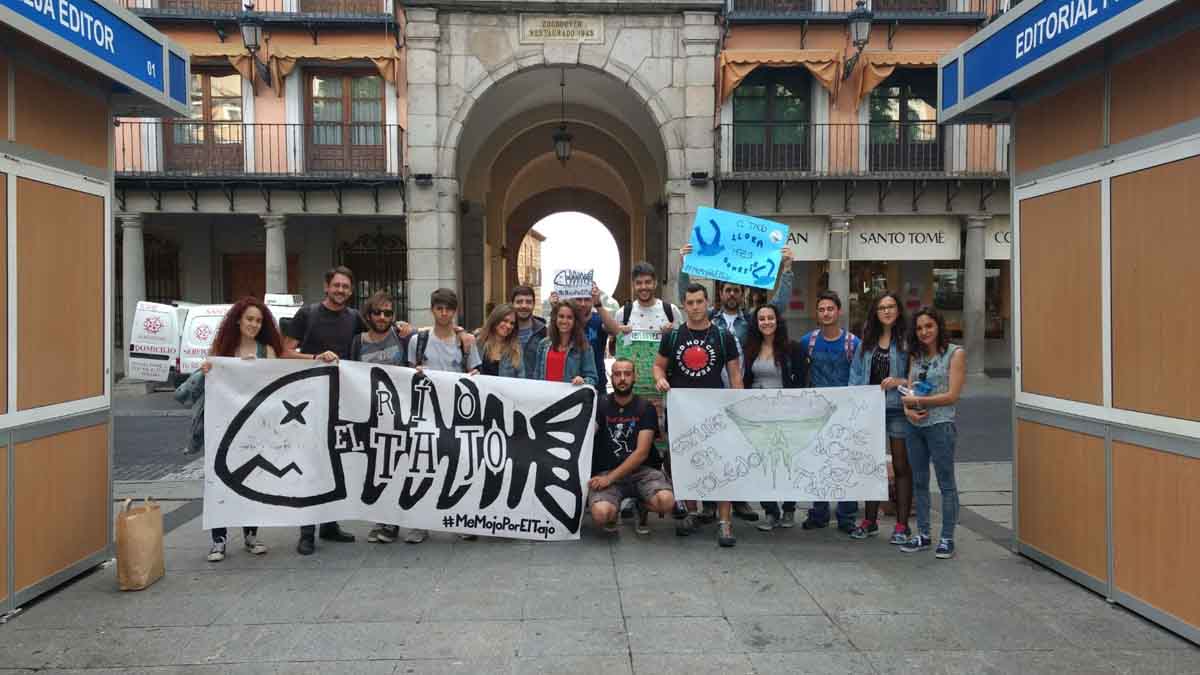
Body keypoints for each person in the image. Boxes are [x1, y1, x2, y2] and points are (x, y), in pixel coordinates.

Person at [677, 244, 794, 524]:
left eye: (736, 290)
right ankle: (707, 505)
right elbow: (686, 295)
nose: (732, 294)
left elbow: (777, 306)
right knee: (709, 447)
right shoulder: (708, 317)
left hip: (740, 391)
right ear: (720, 294)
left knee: (737, 448)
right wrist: (685, 263)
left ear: (742, 295)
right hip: (708, 392)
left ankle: (738, 502)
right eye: (727, 290)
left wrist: (787, 269)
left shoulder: (751, 320)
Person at [284, 266, 372, 555]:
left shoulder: (354, 317)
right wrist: (316, 357)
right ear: (326, 286)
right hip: (309, 401)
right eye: (337, 285)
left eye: (346, 287)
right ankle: (307, 530)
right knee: (312, 464)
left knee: (336, 461)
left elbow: (376, 339)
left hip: (342, 400)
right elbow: (286, 352)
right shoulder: (307, 315)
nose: (341, 291)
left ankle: (329, 524)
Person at [653, 283, 742, 547]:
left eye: (699, 302)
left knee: (722, 464)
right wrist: (660, 380)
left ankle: (725, 521)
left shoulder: (723, 336)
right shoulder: (673, 336)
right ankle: (691, 511)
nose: (694, 307)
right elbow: (659, 366)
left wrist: (737, 403)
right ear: (684, 305)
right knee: (685, 462)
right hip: (682, 412)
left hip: (715, 411)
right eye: (689, 303)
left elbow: (735, 375)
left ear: (707, 303)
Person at [197, 297, 285, 562]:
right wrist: (205, 370)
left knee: (251, 479)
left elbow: (275, 385)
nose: (254, 324)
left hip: (254, 427)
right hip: (222, 427)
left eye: (258, 320)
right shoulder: (222, 350)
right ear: (238, 320)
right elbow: (200, 385)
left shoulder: (267, 350)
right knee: (219, 480)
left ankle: (250, 535)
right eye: (249, 319)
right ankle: (218, 540)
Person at [593, 261, 682, 517]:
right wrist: (601, 306)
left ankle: (673, 493)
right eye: (639, 283)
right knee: (631, 444)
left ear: (655, 283)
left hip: (662, 392)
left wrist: (672, 331)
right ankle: (633, 495)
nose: (643, 287)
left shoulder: (670, 310)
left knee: (666, 444)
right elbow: (612, 331)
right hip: (633, 396)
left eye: (647, 282)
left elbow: (681, 339)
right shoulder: (625, 311)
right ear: (633, 285)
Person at [405, 288, 483, 544]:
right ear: (432, 309)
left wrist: (473, 378)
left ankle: (460, 519)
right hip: (426, 414)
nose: (444, 313)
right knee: (423, 468)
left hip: (456, 416)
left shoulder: (465, 342)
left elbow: (475, 372)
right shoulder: (419, 341)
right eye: (439, 308)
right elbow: (407, 374)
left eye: (448, 308)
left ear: (454, 311)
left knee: (457, 468)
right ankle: (420, 523)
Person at [899, 307, 966, 559]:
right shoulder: (914, 356)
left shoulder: (954, 354)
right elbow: (907, 391)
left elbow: (952, 395)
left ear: (938, 326)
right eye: (919, 328)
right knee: (919, 481)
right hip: (914, 426)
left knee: (946, 482)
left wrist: (920, 403)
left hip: (940, 426)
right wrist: (909, 412)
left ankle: (947, 537)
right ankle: (923, 534)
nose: (924, 331)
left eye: (929, 326)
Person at [847, 292, 912, 543]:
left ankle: (902, 525)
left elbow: (919, 375)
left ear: (898, 310)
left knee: (900, 465)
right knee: (871, 466)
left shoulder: (907, 341)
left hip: (897, 408)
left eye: (891, 307)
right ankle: (869, 520)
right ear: (875, 312)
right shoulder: (867, 342)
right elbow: (855, 373)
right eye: (882, 307)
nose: (887, 311)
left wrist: (900, 381)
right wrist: (853, 403)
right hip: (871, 409)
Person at [740, 304, 809, 532]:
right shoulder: (750, 349)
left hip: (786, 413)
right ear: (756, 323)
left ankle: (789, 508)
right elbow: (744, 380)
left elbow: (801, 382)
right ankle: (770, 511)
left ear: (777, 321)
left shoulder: (793, 349)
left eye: (770, 318)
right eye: (762, 319)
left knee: (787, 460)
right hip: (758, 415)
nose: (766, 322)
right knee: (761, 462)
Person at [348, 290, 409, 545]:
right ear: (368, 314)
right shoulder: (358, 342)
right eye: (377, 312)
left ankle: (392, 522)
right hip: (369, 414)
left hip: (399, 414)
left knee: (396, 467)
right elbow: (349, 373)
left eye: (387, 313)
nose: (382, 317)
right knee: (375, 469)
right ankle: (381, 519)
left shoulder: (403, 337)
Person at [589, 358, 676, 535]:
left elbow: (642, 452)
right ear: (611, 378)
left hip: (641, 471)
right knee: (601, 514)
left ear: (634, 377)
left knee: (666, 501)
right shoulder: (599, 404)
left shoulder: (646, 407)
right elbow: (586, 436)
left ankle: (641, 506)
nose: (622, 378)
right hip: (607, 470)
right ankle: (613, 512)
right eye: (617, 374)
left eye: (627, 374)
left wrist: (610, 479)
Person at [800, 290, 862, 533]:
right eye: (822, 309)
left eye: (830, 309)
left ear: (839, 312)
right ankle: (819, 511)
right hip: (817, 412)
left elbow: (858, 376)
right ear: (817, 314)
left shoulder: (853, 343)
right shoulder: (808, 341)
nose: (826, 313)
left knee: (844, 463)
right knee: (818, 462)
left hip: (845, 412)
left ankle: (847, 516)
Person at [531, 301, 599, 386]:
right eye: (561, 316)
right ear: (556, 318)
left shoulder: (584, 347)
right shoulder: (543, 344)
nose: (564, 321)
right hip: (546, 397)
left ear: (575, 321)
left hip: (570, 398)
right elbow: (536, 376)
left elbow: (593, 378)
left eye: (569, 317)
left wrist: (583, 381)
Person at [476, 303, 525, 378]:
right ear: (495, 319)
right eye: (505, 320)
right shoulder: (479, 342)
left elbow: (521, 378)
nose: (508, 326)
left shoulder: (516, 349)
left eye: (512, 323)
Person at [511, 285, 546, 374]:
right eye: (519, 302)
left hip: (535, 386)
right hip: (507, 386)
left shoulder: (544, 332)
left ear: (534, 304)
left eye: (528, 302)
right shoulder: (504, 331)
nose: (524, 305)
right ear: (512, 304)